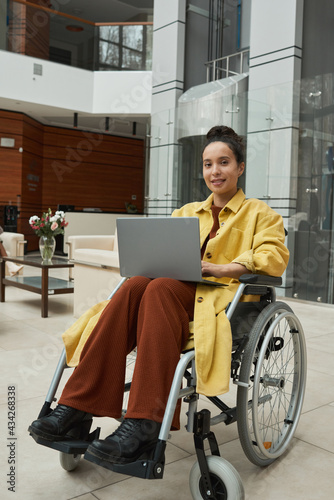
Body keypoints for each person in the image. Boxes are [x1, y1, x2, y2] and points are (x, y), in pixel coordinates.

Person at [28, 125, 289, 468]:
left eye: (223, 162)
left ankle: (145, 423)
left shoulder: (260, 213)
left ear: (240, 167)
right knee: (138, 283)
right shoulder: (186, 212)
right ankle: (75, 408)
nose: (215, 171)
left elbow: (274, 257)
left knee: (160, 287)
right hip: (169, 293)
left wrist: (223, 267)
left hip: (221, 298)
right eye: (208, 164)